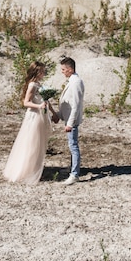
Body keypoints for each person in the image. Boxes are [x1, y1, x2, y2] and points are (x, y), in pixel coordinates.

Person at [3, 61, 53, 185]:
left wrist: (53, 112)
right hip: (34, 116)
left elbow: (45, 100)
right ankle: (25, 170)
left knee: (38, 142)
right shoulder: (32, 85)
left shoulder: (38, 84)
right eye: (42, 71)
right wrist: (39, 106)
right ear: (36, 72)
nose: (44, 73)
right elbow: (26, 102)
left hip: (40, 115)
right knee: (31, 142)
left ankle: (33, 168)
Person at [49, 56, 84, 185]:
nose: (62, 71)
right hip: (68, 118)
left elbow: (75, 105)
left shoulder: (76, 83)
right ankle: (72, 169)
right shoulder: (72, 81)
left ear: (70, 69)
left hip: (72, 121)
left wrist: (70, 123)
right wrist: (58, 114)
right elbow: (67, 104)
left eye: (63, 69)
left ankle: (74, 174)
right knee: (71, 145)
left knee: (73, 146)